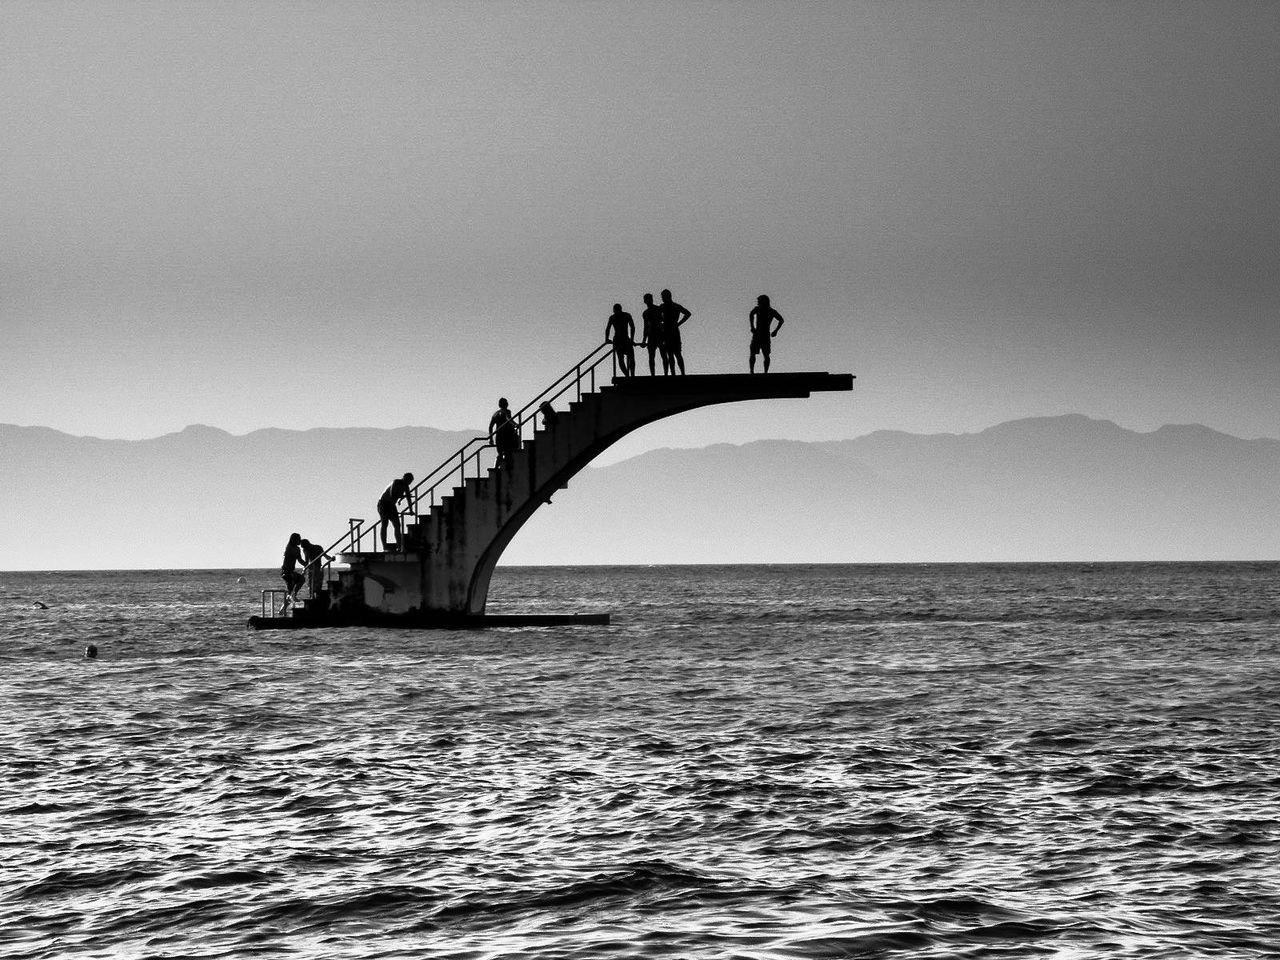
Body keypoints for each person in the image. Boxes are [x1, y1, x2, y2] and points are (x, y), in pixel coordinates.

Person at [748, 294, 786, 373]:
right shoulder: (758, 309)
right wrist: (752, 326)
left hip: (764, 334)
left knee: (766, 354)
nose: (758, 303)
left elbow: (781, 320)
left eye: (759, 301)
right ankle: (752, 371)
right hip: (757, 333)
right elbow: (751, 314)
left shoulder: (770, 311)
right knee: (753, 352)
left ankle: (765, 372)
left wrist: (776, 331)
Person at [377, 473, 414, 552]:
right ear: (404, 478)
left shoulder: (406, 486)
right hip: (383, 503)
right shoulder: (396, 482)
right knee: (385, 524)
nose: (409, 483)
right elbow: (392, 494)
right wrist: (402, 496)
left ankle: (399, 546)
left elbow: (408, 499)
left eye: (410, 482)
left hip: (391, 505)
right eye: (408, 481)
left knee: (397, 525)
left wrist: (411, 510)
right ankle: (384, 547)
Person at [659, 289, 691, 375]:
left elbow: (688, 313)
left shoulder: (670, 306)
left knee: (675, 354)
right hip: (669, 330)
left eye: (663, 296)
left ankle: (680, 373)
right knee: (673, 354)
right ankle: (676, 373)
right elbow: (687, 313)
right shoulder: (670, 306)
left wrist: (678, 323)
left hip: (671, 331)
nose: (662, 298)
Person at [605, 303, 636, 377]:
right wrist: (632, 339)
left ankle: (628, 375)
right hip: (623, 339)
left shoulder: (613, 317)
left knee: (622, 358)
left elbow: (608, 328)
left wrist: (606, 339)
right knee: (629, 357)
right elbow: (632, 327)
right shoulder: (626, 315)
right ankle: (630, 375)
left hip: (620, 339)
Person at [490, 397, 519, 469]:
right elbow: (508, 419)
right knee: (509, 452)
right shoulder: (507, 411)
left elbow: (490, 427)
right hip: (507, 435)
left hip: (499, 436)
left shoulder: (495, 414)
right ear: (506, 404)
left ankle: (496, 468)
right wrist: (515, 424)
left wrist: (491, 439)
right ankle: (508, 470)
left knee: (500, 453)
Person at [640, 292, 664, 375]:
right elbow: (645, 327)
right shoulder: (645, 313)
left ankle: (666, 373)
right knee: (651, 356)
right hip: (651, 335)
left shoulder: (658, 309)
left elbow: (663, 320)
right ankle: (653, 374)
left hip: (659, 334)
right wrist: (644, 340)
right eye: (647, 299)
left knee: (663, 354)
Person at [280, 532, 305, 608]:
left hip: (291, 571)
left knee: (301, 579)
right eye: (299, 539)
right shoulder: (289, 547)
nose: (300, 541)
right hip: (286, 571)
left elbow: (299, 559)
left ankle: (283, 608)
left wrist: (306, 564)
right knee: (290, 589)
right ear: (294, 540)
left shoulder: (297, 549)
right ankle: (291, 597)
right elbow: (285, 559)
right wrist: (287, 571)